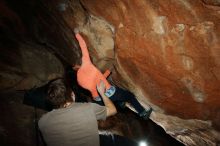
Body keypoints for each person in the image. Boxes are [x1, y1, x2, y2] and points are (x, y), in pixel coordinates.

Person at [73, 32, 152, 120]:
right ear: (82, 62)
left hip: (99, 99)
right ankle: (142, 112)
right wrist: (77, 34)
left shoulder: (79, 79)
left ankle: (120, 102)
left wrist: (107, 72)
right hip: (109, 92)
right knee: (130, 96)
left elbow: (95, 82)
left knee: (116, 96)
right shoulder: (86, 63)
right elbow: (83, 45)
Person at [38, 78, 138, 146]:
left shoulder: (42, 122)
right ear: (72, 95)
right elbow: (112, 110)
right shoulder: (86, 108)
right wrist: (102, 93)